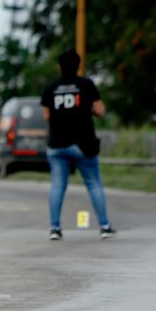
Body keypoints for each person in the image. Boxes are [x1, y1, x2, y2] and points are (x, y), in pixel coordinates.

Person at [40, 49, 115, 240]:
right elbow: (100, 110)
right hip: (83, 144)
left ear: (59, 66)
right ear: (78, 65)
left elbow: (46, 115)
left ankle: (55, 228)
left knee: (58, 185)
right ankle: (104, 227)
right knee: (93, 184)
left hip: (57, 144)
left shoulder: (50, 88)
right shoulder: (86, 85)